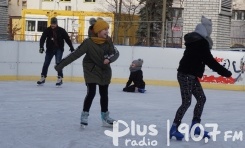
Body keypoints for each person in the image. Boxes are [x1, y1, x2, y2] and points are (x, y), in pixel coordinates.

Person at [169, 16, 232, 140]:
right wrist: (225, 73)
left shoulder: (196, 41)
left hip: (189, 75)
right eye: (210, 28)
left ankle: (195, 126)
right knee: (186, 102)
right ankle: (174, 128)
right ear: (206, 29)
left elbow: (205, 60)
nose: (211, 30)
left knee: (201, 99)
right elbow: (210, 61)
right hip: (186, 75)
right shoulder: (200, 42)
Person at [54, 19, 119, 127]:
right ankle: (85, 114)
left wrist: (109, 59)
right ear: (98, 30)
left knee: (104, 94)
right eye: (104, 29)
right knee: (92, 92)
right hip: (91, 70)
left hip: (104, 70)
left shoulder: (108, 40)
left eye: (107, 29)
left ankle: (105, 117)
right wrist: (60, 65)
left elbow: (115, 52)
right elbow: (75, 54)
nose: (107, 31)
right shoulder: (88, 43)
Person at [37, 17, 75, 86]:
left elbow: (67, 39)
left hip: (59, 49)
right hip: (50, 49)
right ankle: (43, 77)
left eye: (54, 24)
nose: (52, 26)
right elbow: (42, 38)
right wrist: (41, 47)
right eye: (51, 24)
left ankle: (60, 78)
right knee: (46, 63)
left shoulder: (61, 30)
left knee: (58, 63)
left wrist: (71, 47)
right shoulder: (47, 30)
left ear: (56, 24)